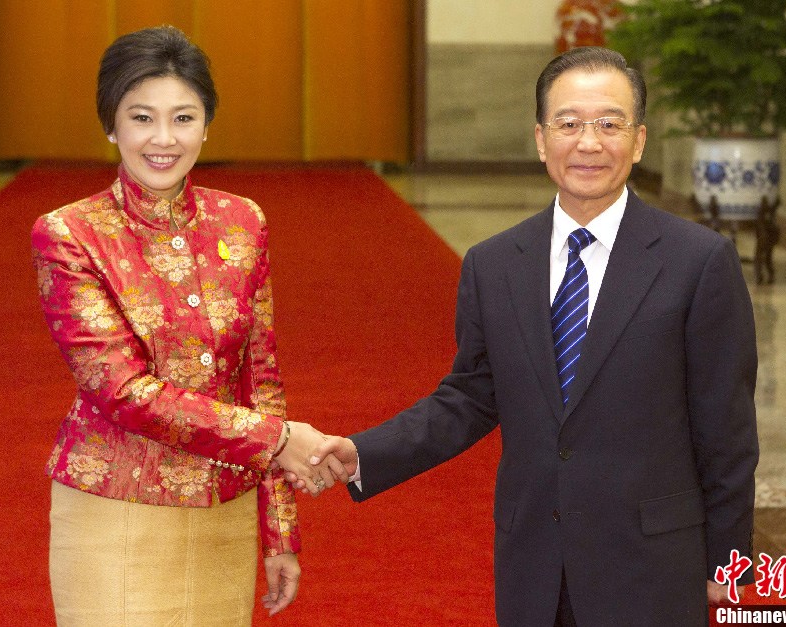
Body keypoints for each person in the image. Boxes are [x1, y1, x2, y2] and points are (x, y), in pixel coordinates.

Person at [301, 47, 759, 626]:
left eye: (609, 124)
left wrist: (730, 564)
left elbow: (727, 430)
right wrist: (364, 452)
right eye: (568, 124)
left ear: (638, 140)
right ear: (541, 139)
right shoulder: (494, 264)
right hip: (535, 565)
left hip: (652, 567)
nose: (588, 143)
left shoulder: (699, 262)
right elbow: (470, 396)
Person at [31, 25, 338, 625]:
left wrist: (279, 530)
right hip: (115, 506)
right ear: (111, 125)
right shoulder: (70, 233)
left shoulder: (241, 221)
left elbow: (261, 376)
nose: (164, 139)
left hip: (224, 508)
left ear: (207, 124)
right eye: (142, 118)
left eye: (184, 117)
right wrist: (277, 443)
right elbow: (120, 390)